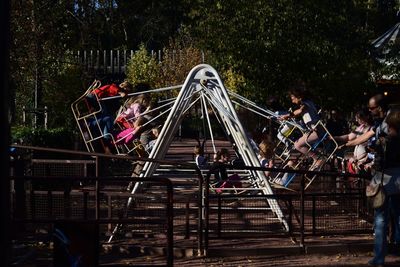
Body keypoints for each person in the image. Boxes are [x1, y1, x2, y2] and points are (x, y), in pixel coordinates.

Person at [344, 94, 399, 266]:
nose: (369, 110)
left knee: (381, 217)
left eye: (372, 107)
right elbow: (365, 136)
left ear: (380, 107)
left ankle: (379, 258)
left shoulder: (388, 124)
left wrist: (377, 146)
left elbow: (376, 140)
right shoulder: (387, 122)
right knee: (397, 215)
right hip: (394, 174)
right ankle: (385, 253)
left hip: (385, 175)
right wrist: (347, 143)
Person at [279, 84, 325, 169]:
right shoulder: (308, 103)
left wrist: (288, 115)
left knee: (297, 145)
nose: (292, 101)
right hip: (314, 131)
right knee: (298, 143)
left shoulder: (306, 103)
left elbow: (300, 111)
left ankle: (317, 158)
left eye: (293, 99)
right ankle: (316, 158)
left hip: (317, 131)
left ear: (299, 97)